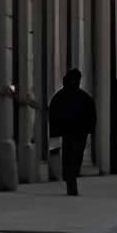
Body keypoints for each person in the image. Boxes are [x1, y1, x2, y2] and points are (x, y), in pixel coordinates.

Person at [48, 66, 98, 197]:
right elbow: (92, 116)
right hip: (78, 133)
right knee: (75, 157)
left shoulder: (60, 97)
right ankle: (71, 178)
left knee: (69, 157)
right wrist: (89, 130)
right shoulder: (84, 97)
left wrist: (54, 136)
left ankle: (70, 178)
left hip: (69, 133)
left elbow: (53, 117)